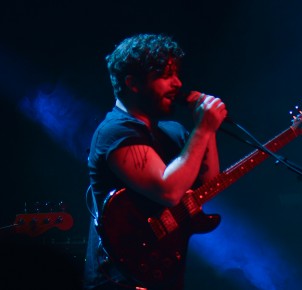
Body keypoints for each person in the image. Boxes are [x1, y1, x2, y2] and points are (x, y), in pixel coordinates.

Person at [84, 33, 227, 290]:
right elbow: (169, 190)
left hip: (162, 276)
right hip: (117, 282)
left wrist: (208, 130)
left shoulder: (172, 131)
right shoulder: (115, 132)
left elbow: (208, 185)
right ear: (133, 83)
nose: (178, 83)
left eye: (177, 74)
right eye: (165, 75)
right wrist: (203, 129)